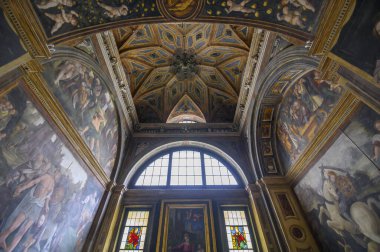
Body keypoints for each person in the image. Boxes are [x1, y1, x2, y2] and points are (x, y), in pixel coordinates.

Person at [0, 162, 55, 252]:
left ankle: (9, 249)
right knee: (16, 226)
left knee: (21, 229)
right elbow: (34, 184)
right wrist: (22, 188)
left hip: (36, 207)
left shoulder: (50, 180)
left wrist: (46, 206)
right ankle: (2, 239)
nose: (45, 168)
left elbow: (46, 196)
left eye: (47, 166)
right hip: (33, 204)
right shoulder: (49, 179)